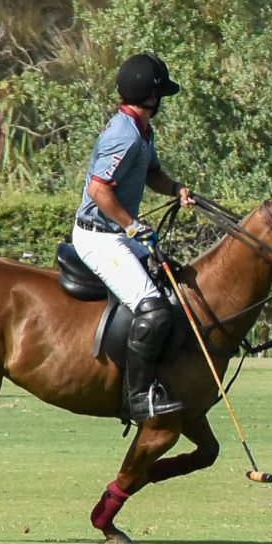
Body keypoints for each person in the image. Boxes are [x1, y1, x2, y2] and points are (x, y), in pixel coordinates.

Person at [72, 52, 196, 422]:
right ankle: (140, 397)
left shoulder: (143, 131)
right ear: (151, 97)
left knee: (172, 285)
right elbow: (99, 191)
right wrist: (131, 225)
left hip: (119, 234)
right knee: (154, 310)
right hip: (99, 237)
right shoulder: (123, 136)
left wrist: (175, 189)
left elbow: (150, 173)